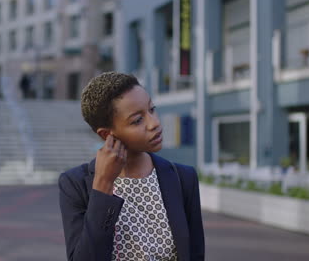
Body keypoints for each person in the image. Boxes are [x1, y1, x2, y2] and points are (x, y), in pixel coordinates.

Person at [58, 72, 205, 261]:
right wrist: (103, 185)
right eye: (137, 120)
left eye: (152, 109)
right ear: (106, 134)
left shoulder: (183, 177)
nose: (155, 123)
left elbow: (195, 255)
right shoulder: (76, 184)